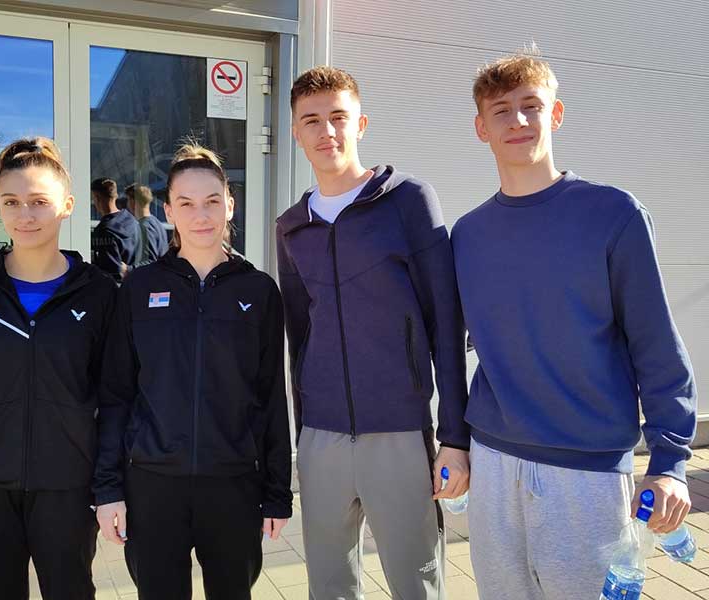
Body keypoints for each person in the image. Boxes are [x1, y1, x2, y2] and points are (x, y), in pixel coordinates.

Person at [452, 46, 697, 600]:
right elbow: (457, 342)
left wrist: (669, 462)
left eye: (530, 105)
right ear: (481, 128)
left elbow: (656, 344)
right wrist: (454, 442)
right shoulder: (468, 234)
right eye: (500, 110)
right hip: (493, 462)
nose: (517, 120)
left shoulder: (613, 214)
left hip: (586, 472)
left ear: (556, 114)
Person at [276, 66, 469, 599]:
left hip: (399, 433)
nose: (326, 131)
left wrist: (455, 438)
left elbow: (445, 323)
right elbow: (300, 336)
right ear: (296, 132)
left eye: (338, 117)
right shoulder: (291, 227)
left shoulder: (409, 201)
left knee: (416, 584)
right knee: (329, 587)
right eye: (311, 120)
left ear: (361, 123)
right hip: (321, 438)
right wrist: (303, 435)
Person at [93, 143, 292, 600]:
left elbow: (270, 396)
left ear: (230, 205)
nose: (201, 215)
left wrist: (277, 491)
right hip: (152, 486)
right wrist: (108, 489)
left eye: (212, 201)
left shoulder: (259, 291)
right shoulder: (139, 289)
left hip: (234, 484)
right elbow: (116, 394)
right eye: (186, 203)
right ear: (168, 211)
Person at [0, 137, 117, 600]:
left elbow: (112, 393)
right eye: (11, 202)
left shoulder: (99, 293)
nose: (25, 214)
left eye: (38, 201)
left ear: (67, 206)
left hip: (67, 482)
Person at [90, 177, 141, 282]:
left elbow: (111, 273)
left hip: (116, 289)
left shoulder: (104, 230)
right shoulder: (132, 220)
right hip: (136, 284)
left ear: (97, 198)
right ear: (115, 195)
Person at [125, 183, 169, 263]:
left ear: (133, 201)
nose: (127, 204)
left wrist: (126, 268)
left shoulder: (144, 227)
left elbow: (149, 262)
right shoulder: (157, 223)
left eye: (128, 200)